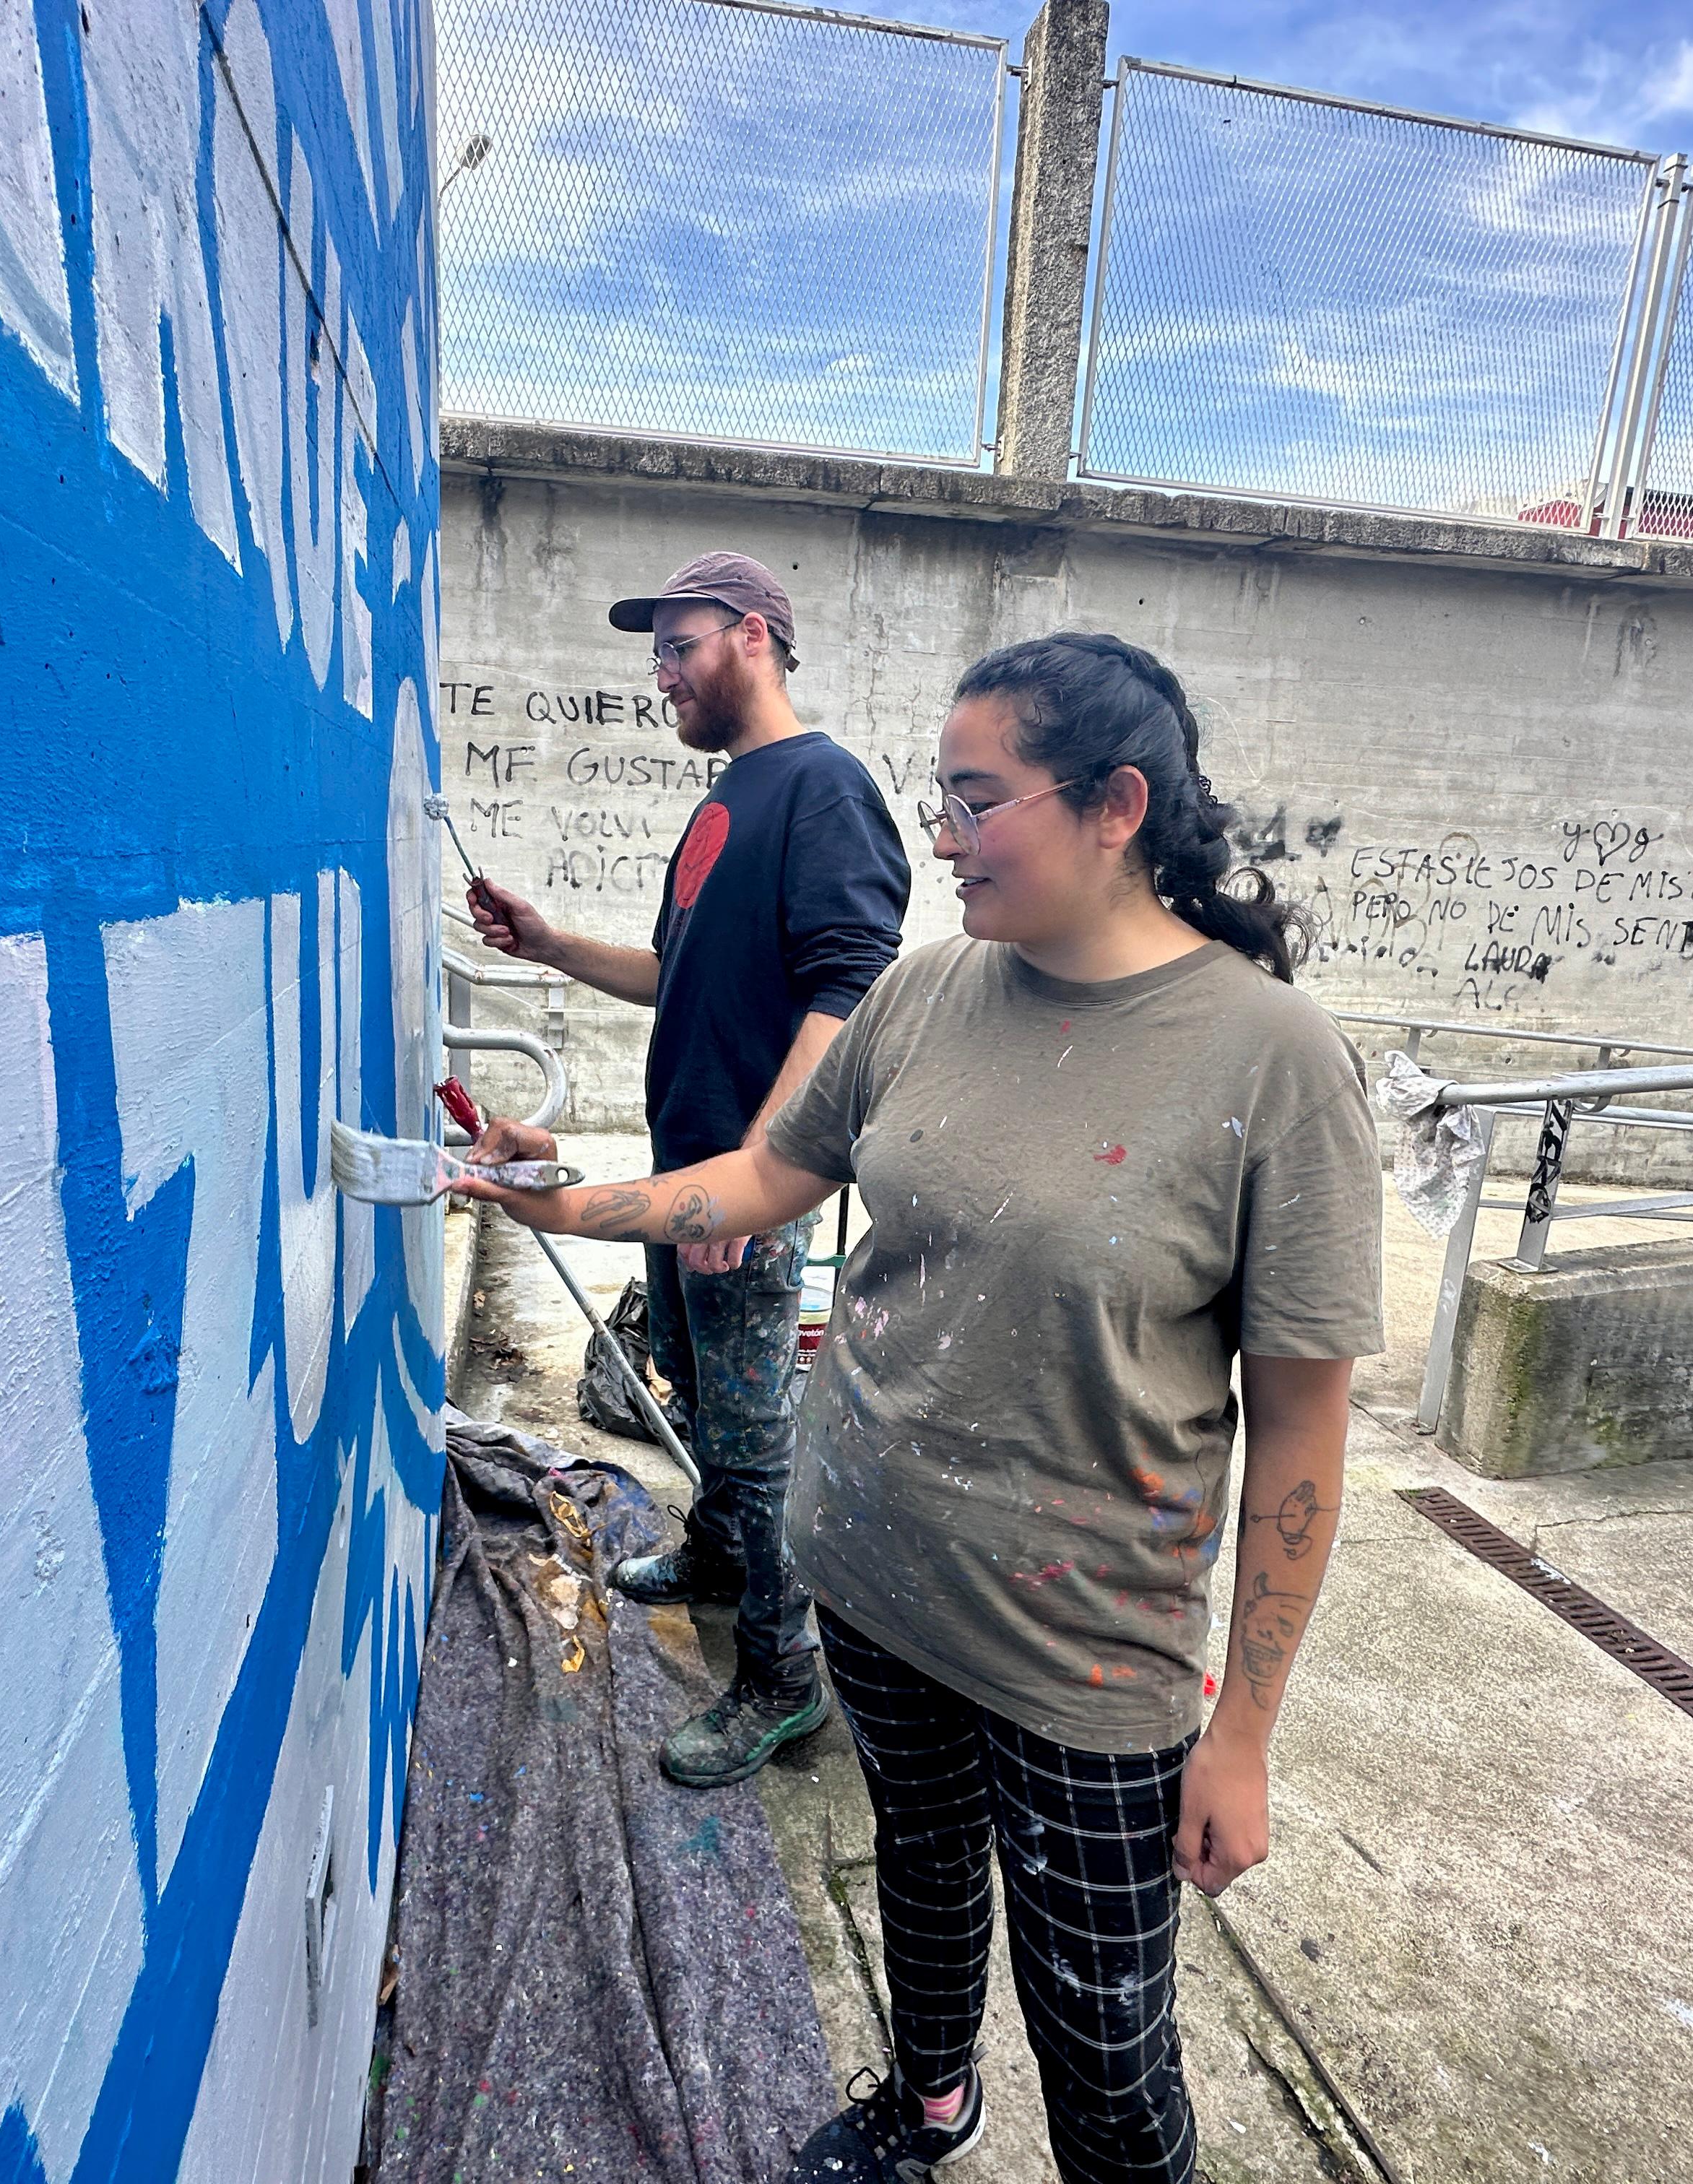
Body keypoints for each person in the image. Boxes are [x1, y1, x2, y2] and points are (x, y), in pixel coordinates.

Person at [459, 632, 1385, 2184]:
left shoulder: (1273, 1062)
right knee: (924, 1871)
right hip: (872, 1577)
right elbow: (766, 1176)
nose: (940, 836)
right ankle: (929, 2101)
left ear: (1115, 808)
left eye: (975, 798)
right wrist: (568, 1199)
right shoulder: (929, 994)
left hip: (1087, 1655)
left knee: (1106, 2049)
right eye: (939, 795)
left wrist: (1247, 1729)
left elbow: (1302, 1425)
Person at [464, 552, 911, 1788]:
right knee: (711, 1404)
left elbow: (849, 988)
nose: (660, 674)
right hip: (695, 1175)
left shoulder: (822, 790)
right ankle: (717, 1556)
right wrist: (552, 946)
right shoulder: (730, 804)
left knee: (760, 1446)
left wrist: (757, 1169)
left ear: (755, 636)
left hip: (742, 1186)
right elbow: (683, 979)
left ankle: (781, 1680)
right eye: (654, 652)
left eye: (680, 647)